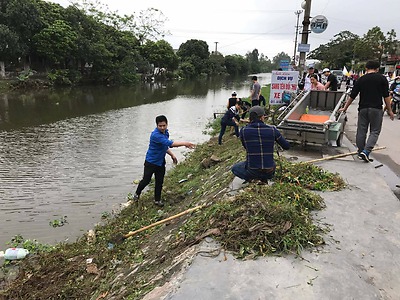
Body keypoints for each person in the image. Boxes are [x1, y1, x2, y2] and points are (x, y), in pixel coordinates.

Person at [339, 60, 394, 162]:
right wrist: (389, 110)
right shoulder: (382, 79)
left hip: (363, 109)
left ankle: (360, 152)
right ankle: (366, 152)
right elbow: (386, 96)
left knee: (361, 130)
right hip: (376, 109)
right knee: (375, 131)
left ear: (366, 68)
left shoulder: (361, 79)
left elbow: (352, 95)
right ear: (377, 69)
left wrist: (345, 107)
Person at [134, 115, 195, 206]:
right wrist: (185, 143)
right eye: (160, 126)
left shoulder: (165, 133)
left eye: (164, 125)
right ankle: (137, 194)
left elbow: (164, 146)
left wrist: (172, 155)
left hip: (160, 162)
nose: (162, 128)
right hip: (151, 162)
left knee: (159, 181)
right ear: (157, 125)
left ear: (167, 124)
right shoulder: (155, 135)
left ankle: (157, 200)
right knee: (146, 180)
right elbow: (170, 144)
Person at [231, 106, 290, 182]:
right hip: (269, 171)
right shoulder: (272, 130)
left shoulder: (243, 131)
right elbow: (286, 146)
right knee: (272, 163)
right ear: (262, 117)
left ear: (250, 118)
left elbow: (246, 147)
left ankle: (253, 179)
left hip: (252, 171)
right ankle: (263, 179)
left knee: (235, 168)